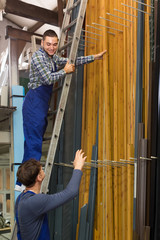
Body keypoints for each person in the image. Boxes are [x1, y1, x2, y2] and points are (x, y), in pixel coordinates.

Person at [15, 29, 106, 190]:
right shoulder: (38, 57)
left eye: (55, 44)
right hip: (34, 103)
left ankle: (21, 183)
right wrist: (64, 71)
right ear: (42, 43)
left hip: (42, 105)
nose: (52, 47)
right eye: (48, 44)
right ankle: (31, 184)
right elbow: (47, 78)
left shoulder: (52, 57)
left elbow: (70, 61)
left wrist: (94, 57)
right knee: (34, 143)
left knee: (32, 143)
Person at [15, 149, 86, 240]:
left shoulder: (21, 198)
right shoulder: (35, 201)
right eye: (42, 170)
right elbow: (71, 192)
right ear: (39, 177)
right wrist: (78, 167)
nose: (43, 170)